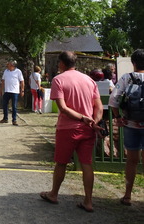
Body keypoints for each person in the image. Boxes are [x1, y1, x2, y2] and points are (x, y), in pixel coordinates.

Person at [40, 51, 103, 213]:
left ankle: (54, 194)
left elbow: (63, 108)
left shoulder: (58, 80)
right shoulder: (89, 80)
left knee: (61, 162)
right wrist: (93, 122)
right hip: (88, 129)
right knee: (87, 164)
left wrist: (82, 118)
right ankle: (88, 201)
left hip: (68, 128)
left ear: (61, 63)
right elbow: (99, 107)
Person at [108, 49, 144, 206]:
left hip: (130, 124)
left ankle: (128, 195)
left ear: (133, 63)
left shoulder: (126, 78)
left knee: (132, 160)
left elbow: (113, 99)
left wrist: (117, 117)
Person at [0, 60, 24, 125]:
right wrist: (1, 89)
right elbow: (3, 80)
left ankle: (14, 120)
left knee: (14, 106)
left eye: (9, 65)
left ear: (12, 66)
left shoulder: (18, 71)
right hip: (7, 90)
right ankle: (5, 118)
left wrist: (22, 90)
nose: (7, 66)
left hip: (15, 91)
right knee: (4, 105)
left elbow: (22, 81)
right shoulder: (6, 71)